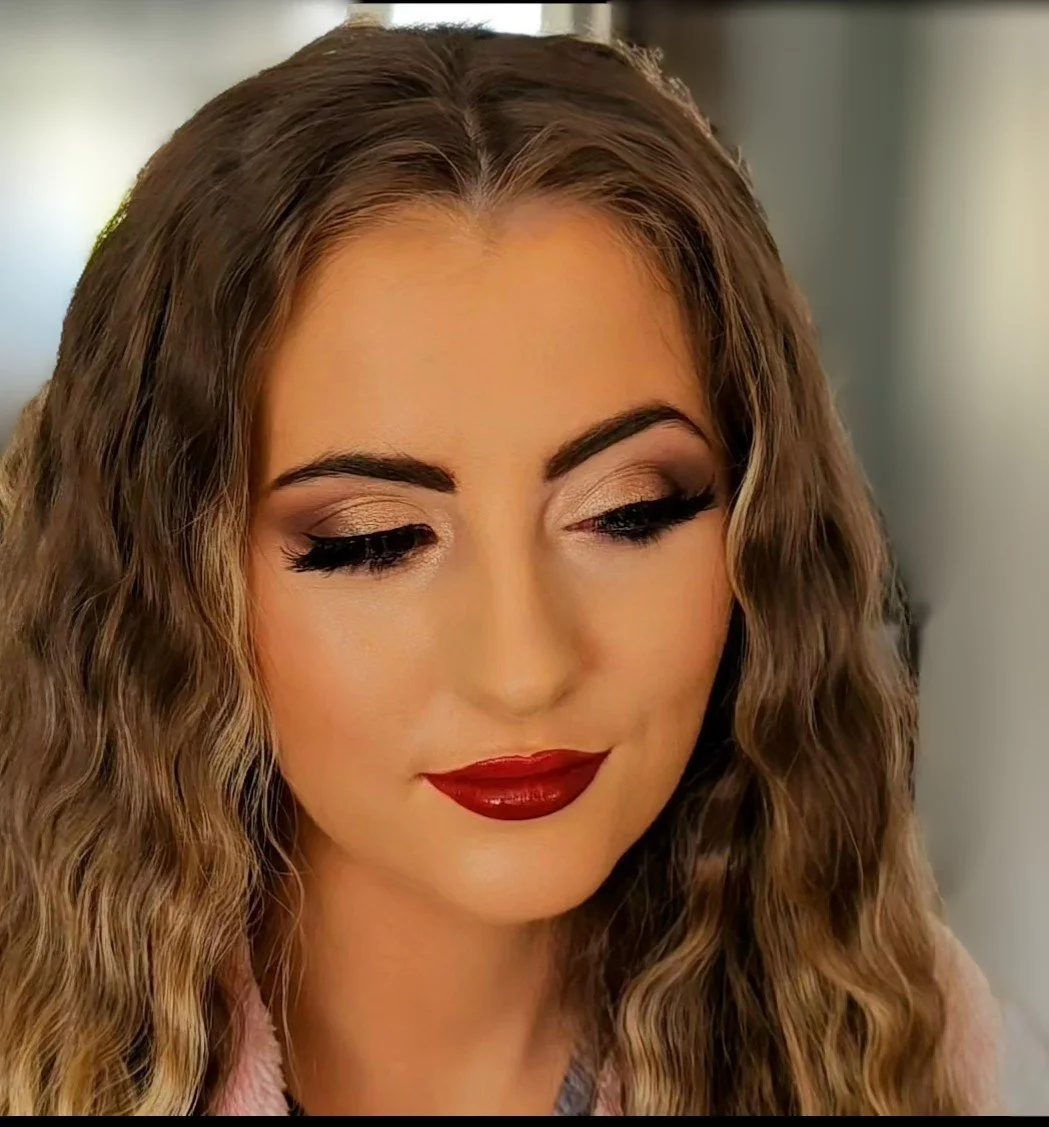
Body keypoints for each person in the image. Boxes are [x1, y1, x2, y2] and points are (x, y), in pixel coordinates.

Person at [0, 20, 1001, 1116]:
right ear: (167, 582)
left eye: (626, 512)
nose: (523, 668)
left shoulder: (888, 1039)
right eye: (373, 539)